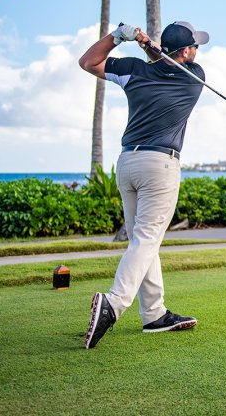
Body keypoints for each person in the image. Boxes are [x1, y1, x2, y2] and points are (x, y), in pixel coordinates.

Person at [78, 20, 209, 349]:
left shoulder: (135, 71)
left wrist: (119, 37)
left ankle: (154, 313)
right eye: (195, 46)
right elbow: (168, 62)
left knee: (142, 241)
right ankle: (114, 304)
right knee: (147, 240)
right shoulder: (194, 77)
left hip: (127, 164)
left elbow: (88, 62)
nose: (197, 51)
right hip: (160, 165)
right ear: (188, 51)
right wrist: (147, 46)